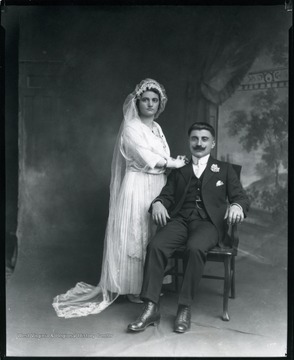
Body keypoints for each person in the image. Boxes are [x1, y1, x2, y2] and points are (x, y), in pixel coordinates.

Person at [52, 78, 187, 318]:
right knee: (136, 232)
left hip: (158, 184)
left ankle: (150, 285)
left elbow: (163, 155)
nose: (150, 104)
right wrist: (173, 163)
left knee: (153, 232)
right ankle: (133, 288)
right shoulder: (131, 127)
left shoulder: (157, 128)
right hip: (138, 184)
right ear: (138, 102)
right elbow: (147, 157)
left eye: (155, 100)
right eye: (146, 100)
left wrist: (171, 162)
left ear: (160, 104)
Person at [127, 122, 250, 333]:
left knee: (195, 247)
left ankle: (184, 307)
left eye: (204, 139)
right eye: (195, 138)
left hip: (209, 224)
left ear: (213, 143)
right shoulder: (179, 170)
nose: (199, 143)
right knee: (156, 245)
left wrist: (237, 206)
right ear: (189, 141)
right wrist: (157, 203)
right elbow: (166, 195)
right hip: (180, 220)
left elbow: (241, 197)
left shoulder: (224, 170)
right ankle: (150, 307)